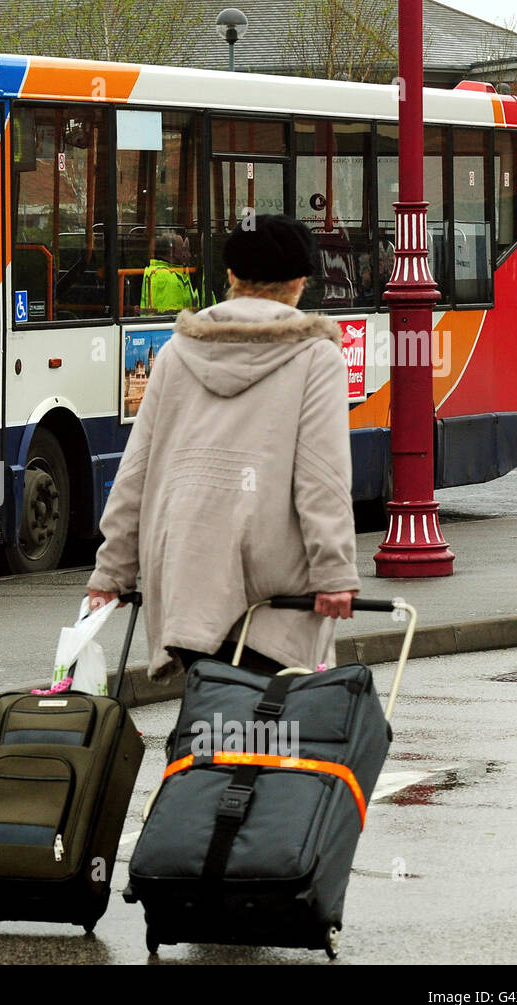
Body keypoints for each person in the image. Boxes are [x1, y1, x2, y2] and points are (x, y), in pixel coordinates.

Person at [88, 214, 360, 678]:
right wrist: (333, 574)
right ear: (300, 281)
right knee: (274, 730)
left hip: (187, 568)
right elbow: (322, 475)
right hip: (276, 586)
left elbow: (136, 469)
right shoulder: (316, 356)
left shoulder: (176, 352)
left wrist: (110, 573)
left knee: (209, 719)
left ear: (230, 276)